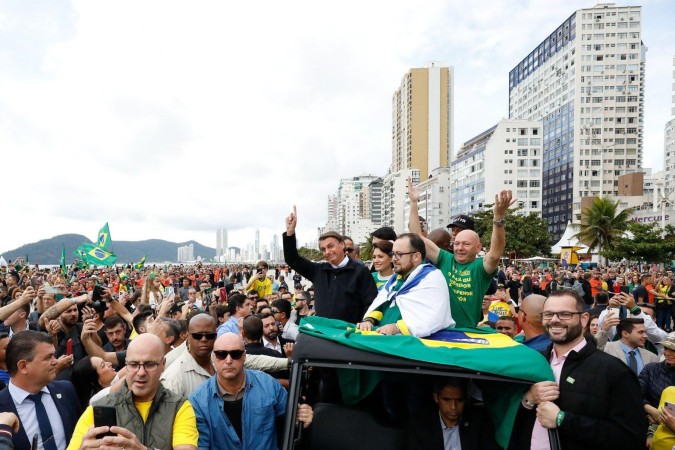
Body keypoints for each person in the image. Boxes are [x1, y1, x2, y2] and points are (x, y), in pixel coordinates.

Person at [514, 291, 645, 450]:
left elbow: (631, 437)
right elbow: (509, 424)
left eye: (565, 314)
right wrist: (527, 401)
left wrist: (563, 419)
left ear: (583, 319)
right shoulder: (533, 362)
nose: (555, 320)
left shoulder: (614, 371)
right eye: (548, 314)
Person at [68, 333, 199, 450]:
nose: (141, 372)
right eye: (134, 364)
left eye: (149, 364)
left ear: (163, 364)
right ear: (126, 364)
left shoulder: (179, 407)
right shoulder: (97, 409)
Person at [409, 182, 513, 328]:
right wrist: (413, 203)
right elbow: (417, 238)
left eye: (466, 244)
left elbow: (495, 253)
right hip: (438, 329)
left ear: (478, 248)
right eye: (457, 243)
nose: (459, 248)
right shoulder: (445, 259)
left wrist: (499, 217)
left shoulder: (480, 268)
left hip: (466, 332)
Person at [189, 333, 313, 449]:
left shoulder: (267, 384)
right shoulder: (199, 400)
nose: (228, 360)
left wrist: (302, 415)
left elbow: (292, 415)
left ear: (244, 356)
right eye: (221, 354)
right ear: (213, 357)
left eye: (235, 354)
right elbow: (202, 445)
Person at [283, 206, 377, 324]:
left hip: (348, 334)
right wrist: (290, 232)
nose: (327, 252)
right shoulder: (318, 271)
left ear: (342, 245)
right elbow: (292, 259)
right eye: (323, 249)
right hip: (324, 333)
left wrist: (367, 321)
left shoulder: (360, 271)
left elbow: (371, 301)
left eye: (330, 246)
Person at [357, 233, 453, 337]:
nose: (393, 259)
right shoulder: (395, 279)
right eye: (393, 254)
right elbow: (381, 304)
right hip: (383, 339)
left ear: (416, 257)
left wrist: (397, 327)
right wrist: (369, 321)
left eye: (399, 254)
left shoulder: (432, 278)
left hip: (413, 347)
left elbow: (433, 318)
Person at [0, 330, 81, 450]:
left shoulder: (66, 390)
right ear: (23, 366)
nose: (56, 361)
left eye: (53, 355)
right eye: (48, 357)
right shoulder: (2, 406)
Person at [406, 377, 500, 450]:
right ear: (436, 398)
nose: (453, 406)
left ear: (466, 398)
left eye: (459, 400)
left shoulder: (479, 420)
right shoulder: (420, 425)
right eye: (446, 400)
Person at [160, 313, 217, 398]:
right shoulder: (174, 377)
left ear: (216, 336)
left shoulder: (223, 360)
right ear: (189, 337)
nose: (204, 339)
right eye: (197, 336)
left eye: (209, 335)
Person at [639, 333, 675, 426]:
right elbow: (636, 394)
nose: (668, 353)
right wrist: (651, 411)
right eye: (666, 348)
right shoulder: (651, 369)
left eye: (673, 350)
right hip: (647, 422)